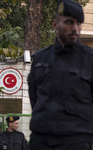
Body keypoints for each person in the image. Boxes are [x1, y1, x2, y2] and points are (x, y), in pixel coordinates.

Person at [28, 0, 93, 150]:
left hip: (76, 141)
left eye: (79, 23)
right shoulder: (40, 58)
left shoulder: (89, 59)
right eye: (69, 22)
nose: (75, 28)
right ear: (55, 24)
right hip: (41, 141)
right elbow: (35, 97)